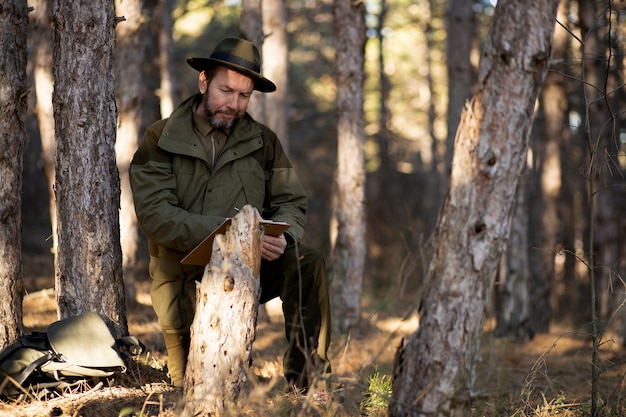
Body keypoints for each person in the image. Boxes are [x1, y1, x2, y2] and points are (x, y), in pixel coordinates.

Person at [129, 37, 331, 392]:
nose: (233, 104)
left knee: (307, 261)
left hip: (248, 265)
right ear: (203, 81)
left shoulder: (263, 141)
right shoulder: (160, 139)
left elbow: (291, 200)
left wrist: (284, 237)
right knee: (193, 386)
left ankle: (308, 382)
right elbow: (156, 216)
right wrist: (230, 232)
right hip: (183, 275)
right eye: (225, 90)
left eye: (244, 95)